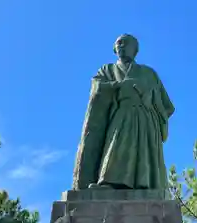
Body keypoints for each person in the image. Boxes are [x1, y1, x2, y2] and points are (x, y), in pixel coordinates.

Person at [73, 34, 175, 190]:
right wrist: (118, 86)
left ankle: (145, 184)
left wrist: (151, 102)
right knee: (116, 145)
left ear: (135, 50)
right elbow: (97, 88)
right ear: (114, 49)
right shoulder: (107, 70)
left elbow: (167, 106)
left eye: (126, 43)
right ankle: (109, 183)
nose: (121, 46)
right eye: (118, 43)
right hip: (121, 113)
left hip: (146, 118)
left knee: (143, 153)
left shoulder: (149, 73)